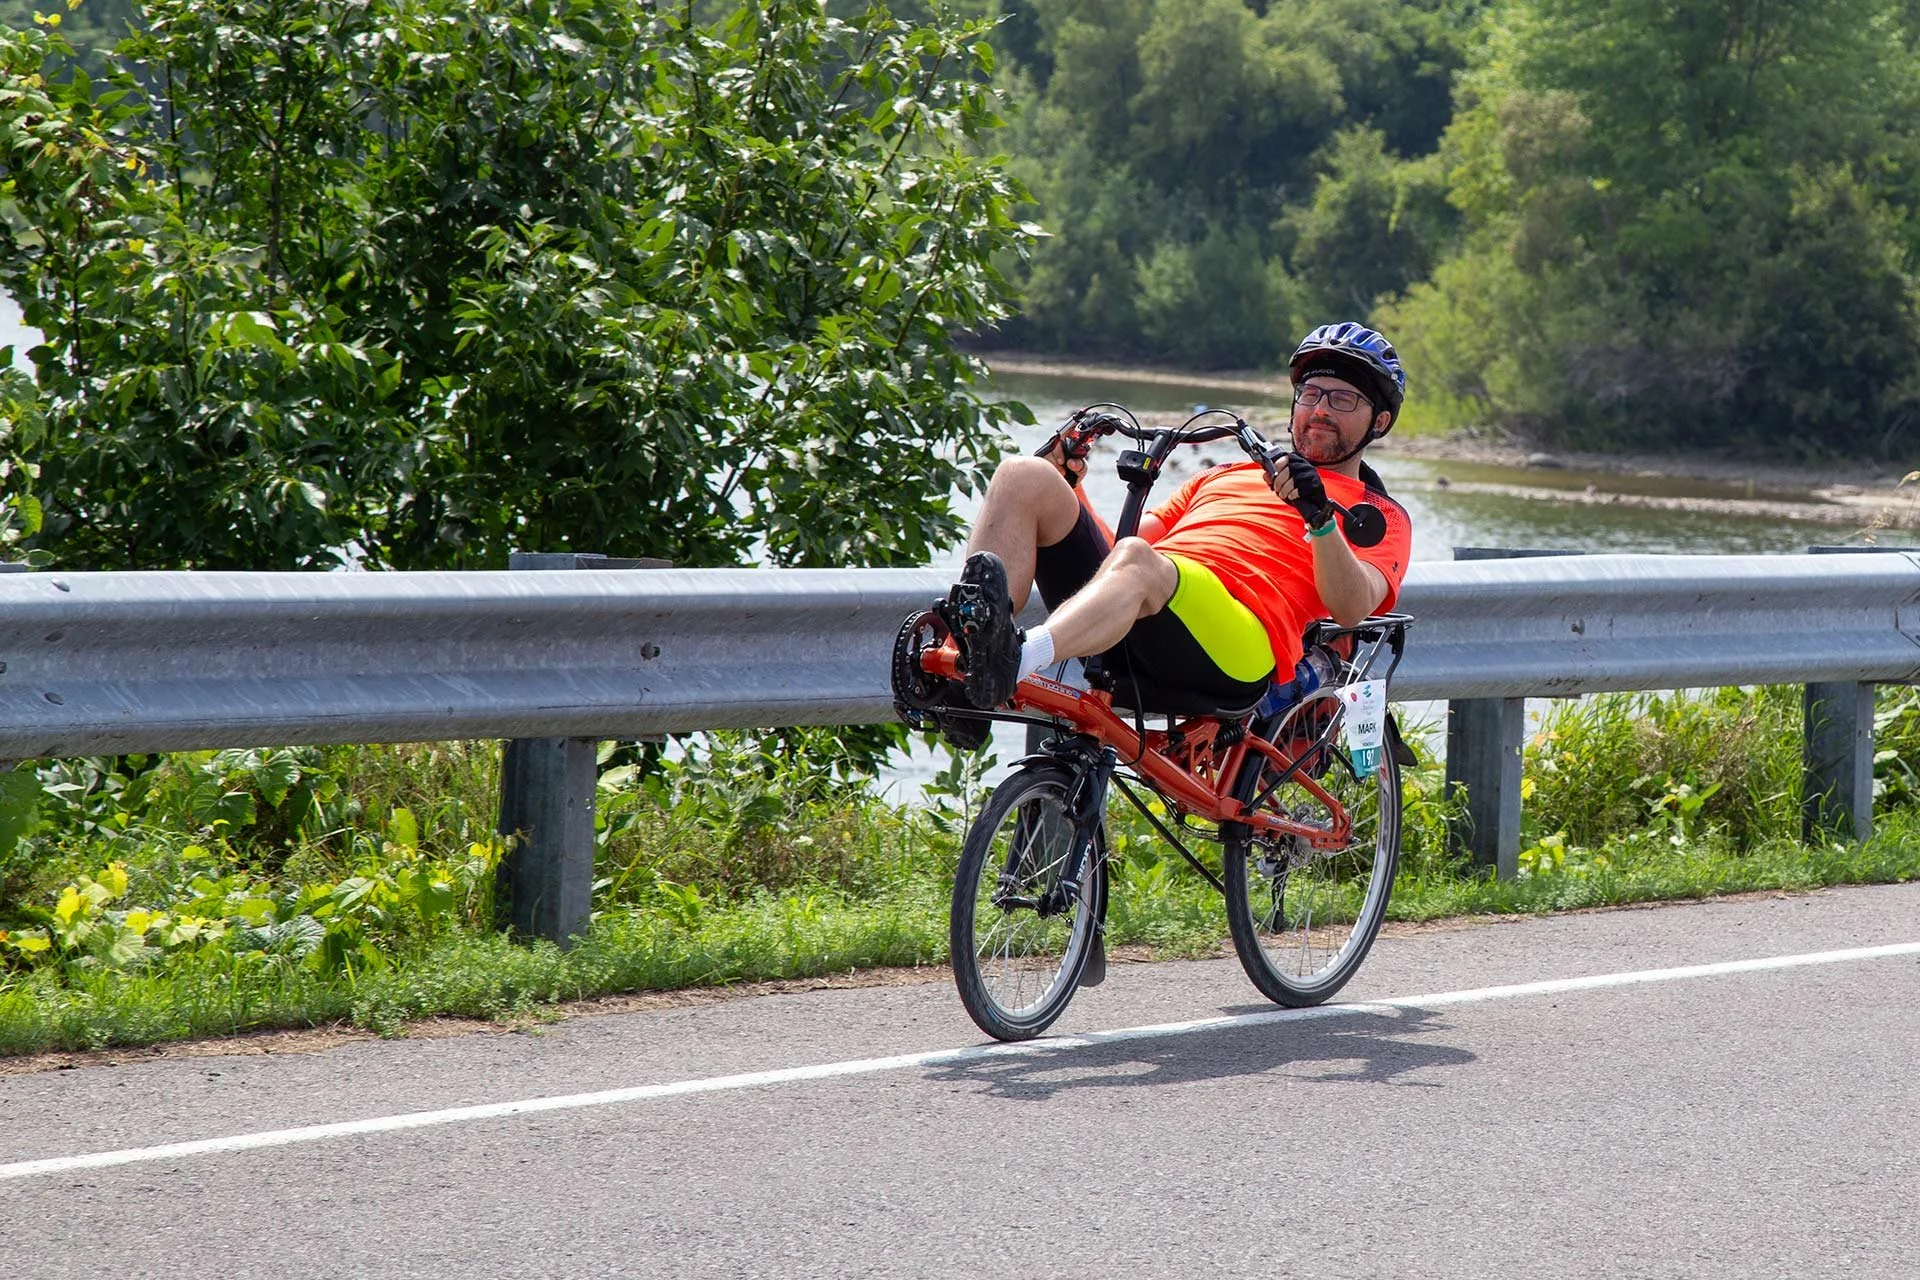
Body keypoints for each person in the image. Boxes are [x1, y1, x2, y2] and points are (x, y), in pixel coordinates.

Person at [939, 322, 1414, 741]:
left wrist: (1320, 518)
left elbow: (1352, 608)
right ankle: (963, 665)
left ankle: (1013, 662)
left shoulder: (1376, 514)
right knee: (1023, 475)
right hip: (1151, 605)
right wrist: (1068, 486)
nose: (1321, 409)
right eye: (1311, 394)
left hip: (1241, 648)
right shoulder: (1223, 474)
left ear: (1381, 421)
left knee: (1140, 561)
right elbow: (1118, 553)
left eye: (1343, 399)